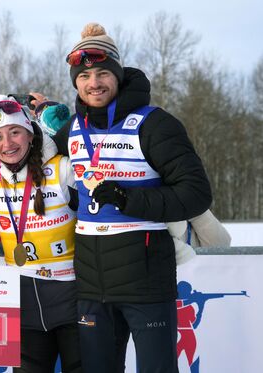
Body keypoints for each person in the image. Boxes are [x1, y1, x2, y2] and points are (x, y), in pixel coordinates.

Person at [50, 23, 212, 373]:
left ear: (119, 76)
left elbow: (196, 194)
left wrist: (128, 198)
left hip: (146, 283)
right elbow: (31, 157)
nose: (94, 83)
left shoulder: (155, 124)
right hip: (92, 287)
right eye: (85, 75)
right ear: (75, 82)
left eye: (104, 73)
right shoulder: (73, 130)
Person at [0, 94, 81, 372]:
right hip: (22, 303)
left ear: (30, 134)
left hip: (71, 297)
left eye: (15, 132)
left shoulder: (62, 169)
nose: (8, 143)